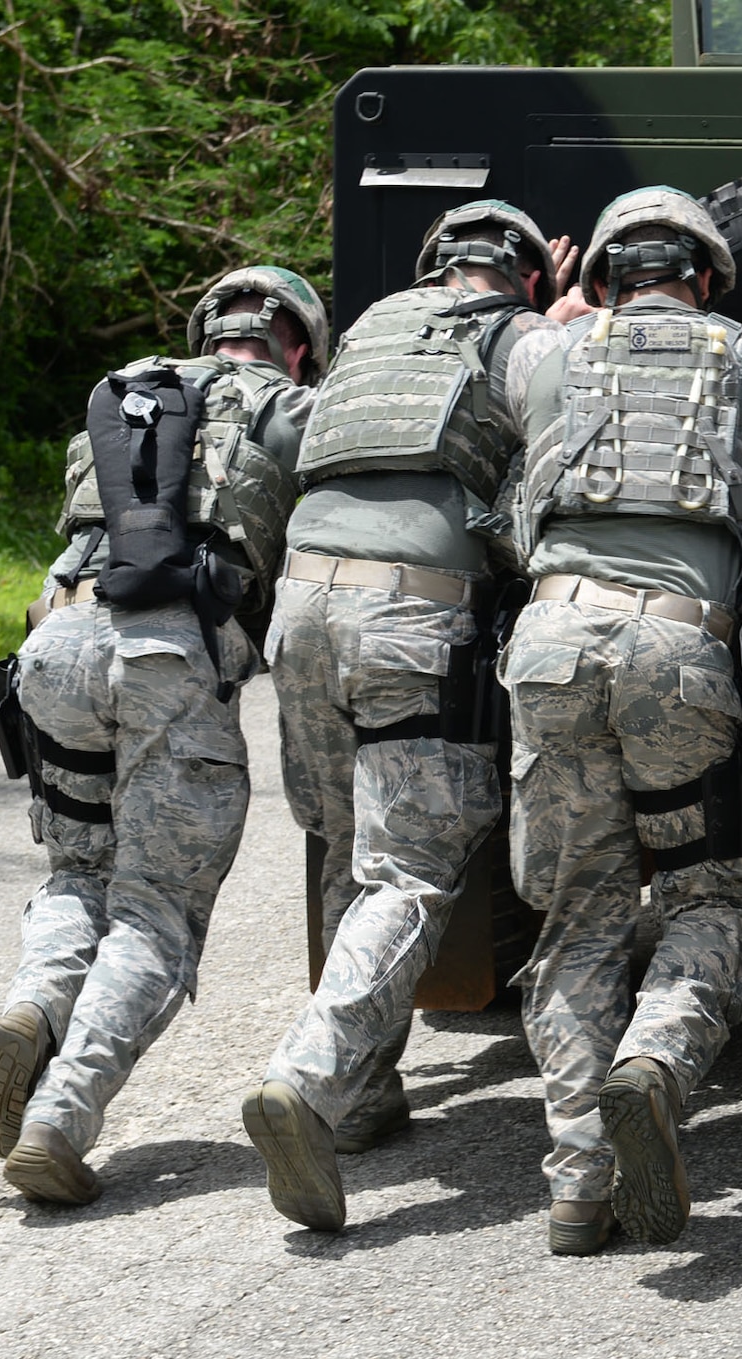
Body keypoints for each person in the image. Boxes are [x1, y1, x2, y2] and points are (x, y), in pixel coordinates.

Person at [496, 186, 742, 1256]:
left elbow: (508, 369)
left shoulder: (543, 353)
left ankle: (577, 1184)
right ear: (706, 277)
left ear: (606, 275)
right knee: (720, 894)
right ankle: (655, 1054)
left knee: (577, 913)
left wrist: (566, 307)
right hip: (675, 644)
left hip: (550, 640)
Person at [0, 266, 326, 1205]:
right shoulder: (293, 410)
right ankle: (58, 1118)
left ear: (210, 330)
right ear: (297, 342)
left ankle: (34, 1006)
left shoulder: (119, 396)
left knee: (78, 873)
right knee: (158, 908)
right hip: (169, 658)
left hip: (55, 647)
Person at [242, 200, 575, 1232]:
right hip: (411, 609)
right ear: (522, 275)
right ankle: (310, 1070)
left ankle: (365, 1089)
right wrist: (558, 326)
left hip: (301, 605)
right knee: (412, 869)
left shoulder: (375, 329)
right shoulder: (523, 337)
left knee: (346, 838)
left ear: (437, 267)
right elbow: (560, 472)